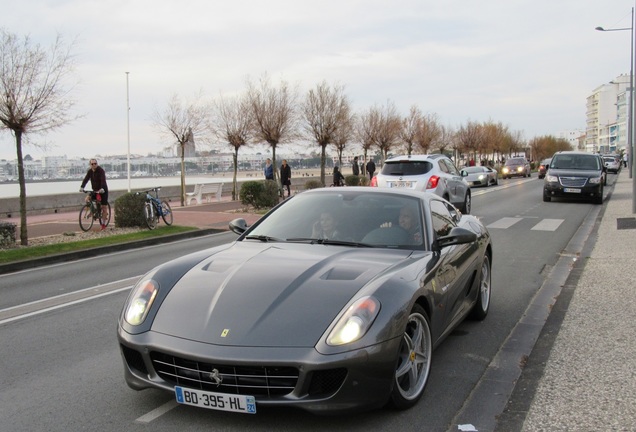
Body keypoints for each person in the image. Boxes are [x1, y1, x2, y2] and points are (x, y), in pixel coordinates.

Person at [79, 158, 109, 230]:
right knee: (87, 199)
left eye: (95, 163)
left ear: (97, 164)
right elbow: (86, 179)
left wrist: (102, 188)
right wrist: (82, 187)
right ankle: (92, 211)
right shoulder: (90, 171)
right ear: (90, 165)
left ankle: (103, 224)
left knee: (104, 207)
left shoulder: (101, 171)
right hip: (95, 190)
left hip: (103, 190)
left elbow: (103, 180)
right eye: (92, 164)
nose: (94, 165)